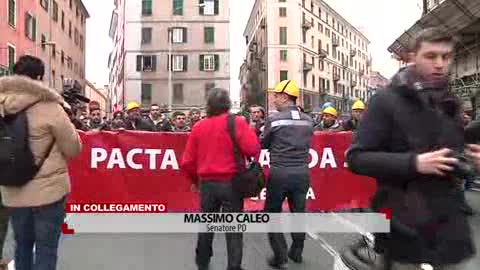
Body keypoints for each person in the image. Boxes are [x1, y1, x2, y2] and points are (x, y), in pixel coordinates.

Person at [346, 28, 476, 270]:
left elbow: (454, 156)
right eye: (431, 56)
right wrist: (414, 163)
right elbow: (356, 158)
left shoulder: (450, 104)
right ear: (413, 56)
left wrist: (471, 162)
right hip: (403, 226)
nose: (439, 64)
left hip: (449, 227)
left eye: (446, 57)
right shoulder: (385, 101)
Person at [0, 55, 82, 270]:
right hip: (48, 192)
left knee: (22, 247)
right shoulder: (50, 107)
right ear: (39, 77)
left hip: (13, 190)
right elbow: (73, 149)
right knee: (46, 248)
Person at [181, 88, 260, 270]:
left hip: (207, 184)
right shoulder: (237, 122)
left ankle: (202, 262)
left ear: (208, 105)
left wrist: (194, 181)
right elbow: (253, 149)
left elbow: (187, 162)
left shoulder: (199, 127)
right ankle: (234, 266)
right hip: (232, 183)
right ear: (227, 103)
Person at [261, 80, 314, 269]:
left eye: (275, 95)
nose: (274, 99)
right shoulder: (308, 120)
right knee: (298, 213)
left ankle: (280, 255)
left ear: (285, 97)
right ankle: (297, 251)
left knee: (272, 214)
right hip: (302, 173)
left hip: (280, 173)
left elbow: (264, 144)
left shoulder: (274, 120)